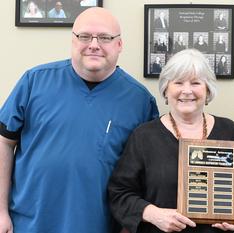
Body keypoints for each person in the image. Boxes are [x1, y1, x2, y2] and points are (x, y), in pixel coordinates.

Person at [0, 7, 158, 233]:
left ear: (119, 45)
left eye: (105, 37)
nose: (94, 44)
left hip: (99, 225)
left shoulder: (140, 101)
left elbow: (145, 175)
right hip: (29, 223)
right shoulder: (34, 81)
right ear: (73, 40)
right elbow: (4, 143)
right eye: (84, 36)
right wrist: (0, 212)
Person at [108, 49, 234, 233]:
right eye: (178, 82)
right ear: (166, 90)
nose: (187, 90)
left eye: (195, 83)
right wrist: (154, 214)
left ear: (207, 89)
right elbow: (119, 193)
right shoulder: (144, 136)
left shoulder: (229, 131)